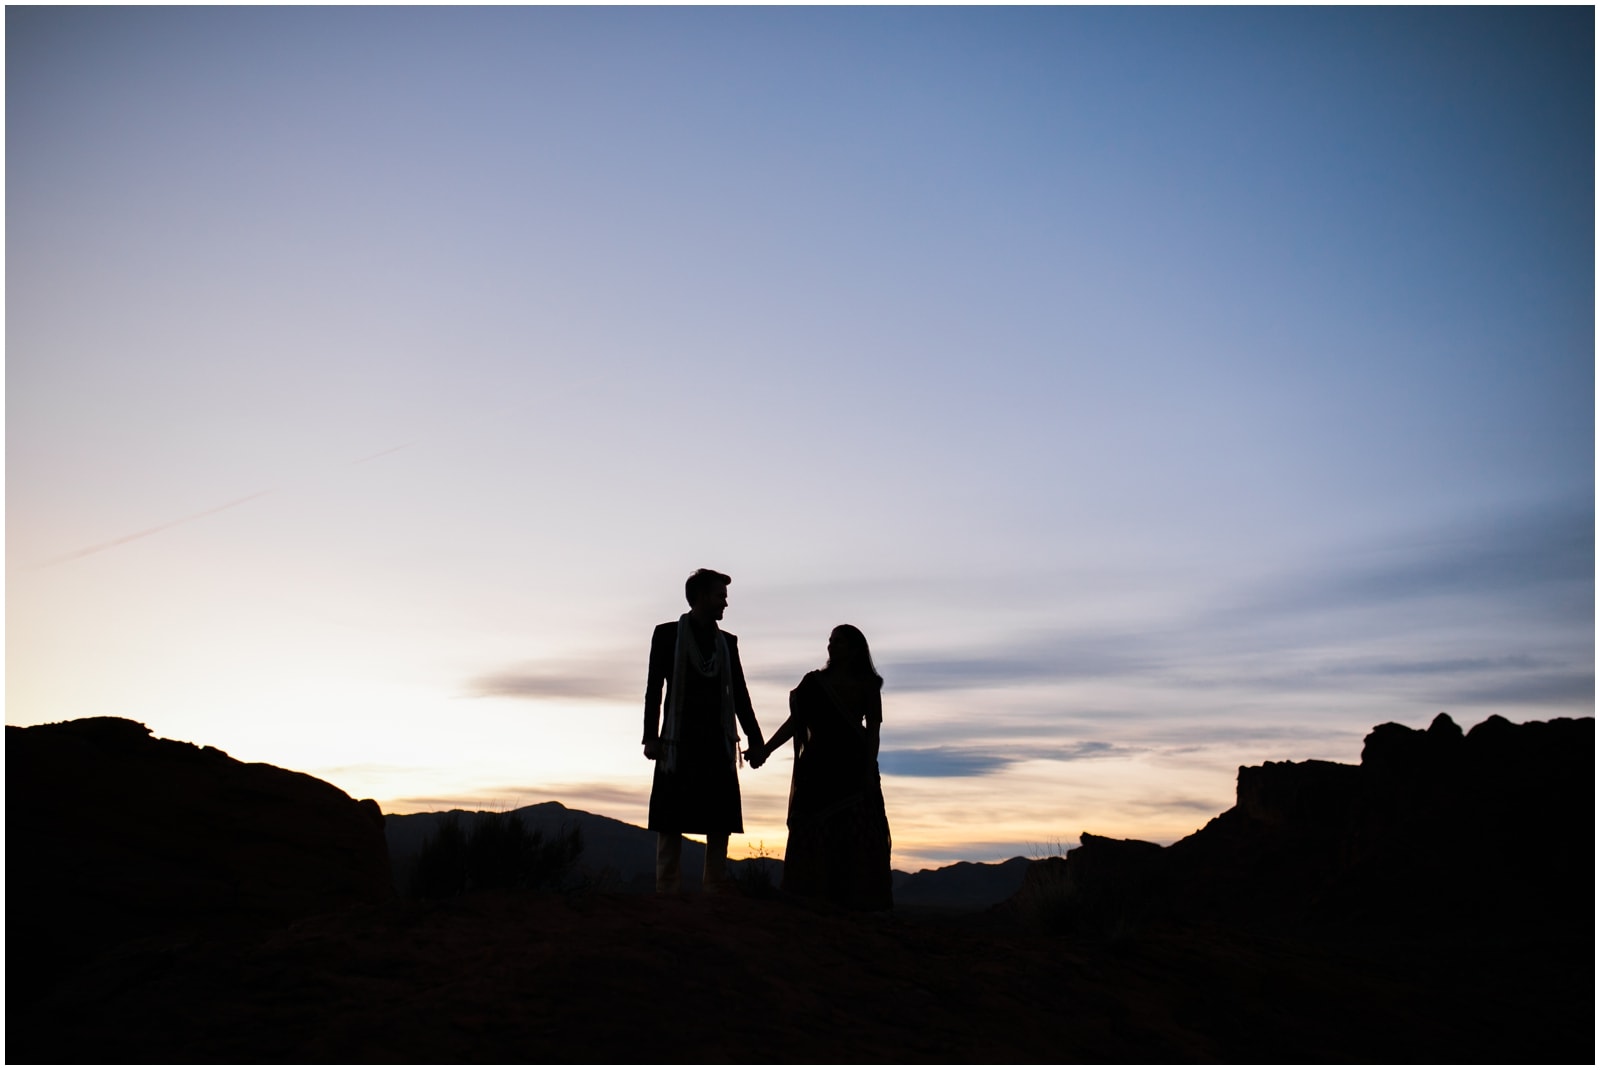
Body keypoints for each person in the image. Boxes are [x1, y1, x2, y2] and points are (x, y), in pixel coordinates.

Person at [745, 624, 893, 911]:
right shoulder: (813, 683)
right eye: (830, 641)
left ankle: (852, 902)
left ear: (854, 648)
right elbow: (795, 723)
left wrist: (868, 770)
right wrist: (766, 750)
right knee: (811, 827)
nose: (831, 646)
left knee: (853, 833)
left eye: (838, 641)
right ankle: (809, 899)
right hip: (817, 770)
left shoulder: (868, 685)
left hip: (852, 770)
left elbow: (873, 731)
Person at [642, 568, 766, 894]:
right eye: (719, 596)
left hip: (717, 739)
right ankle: (667, 888)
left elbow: (739, 693)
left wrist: (755, 738)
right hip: (677, 738)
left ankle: (715, 886)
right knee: (671, 814)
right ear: (699, 597)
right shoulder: (667, 635)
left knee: (719, 816)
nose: (725, 603)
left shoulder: (727, 642)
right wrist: (651, 737)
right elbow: (654, 688)